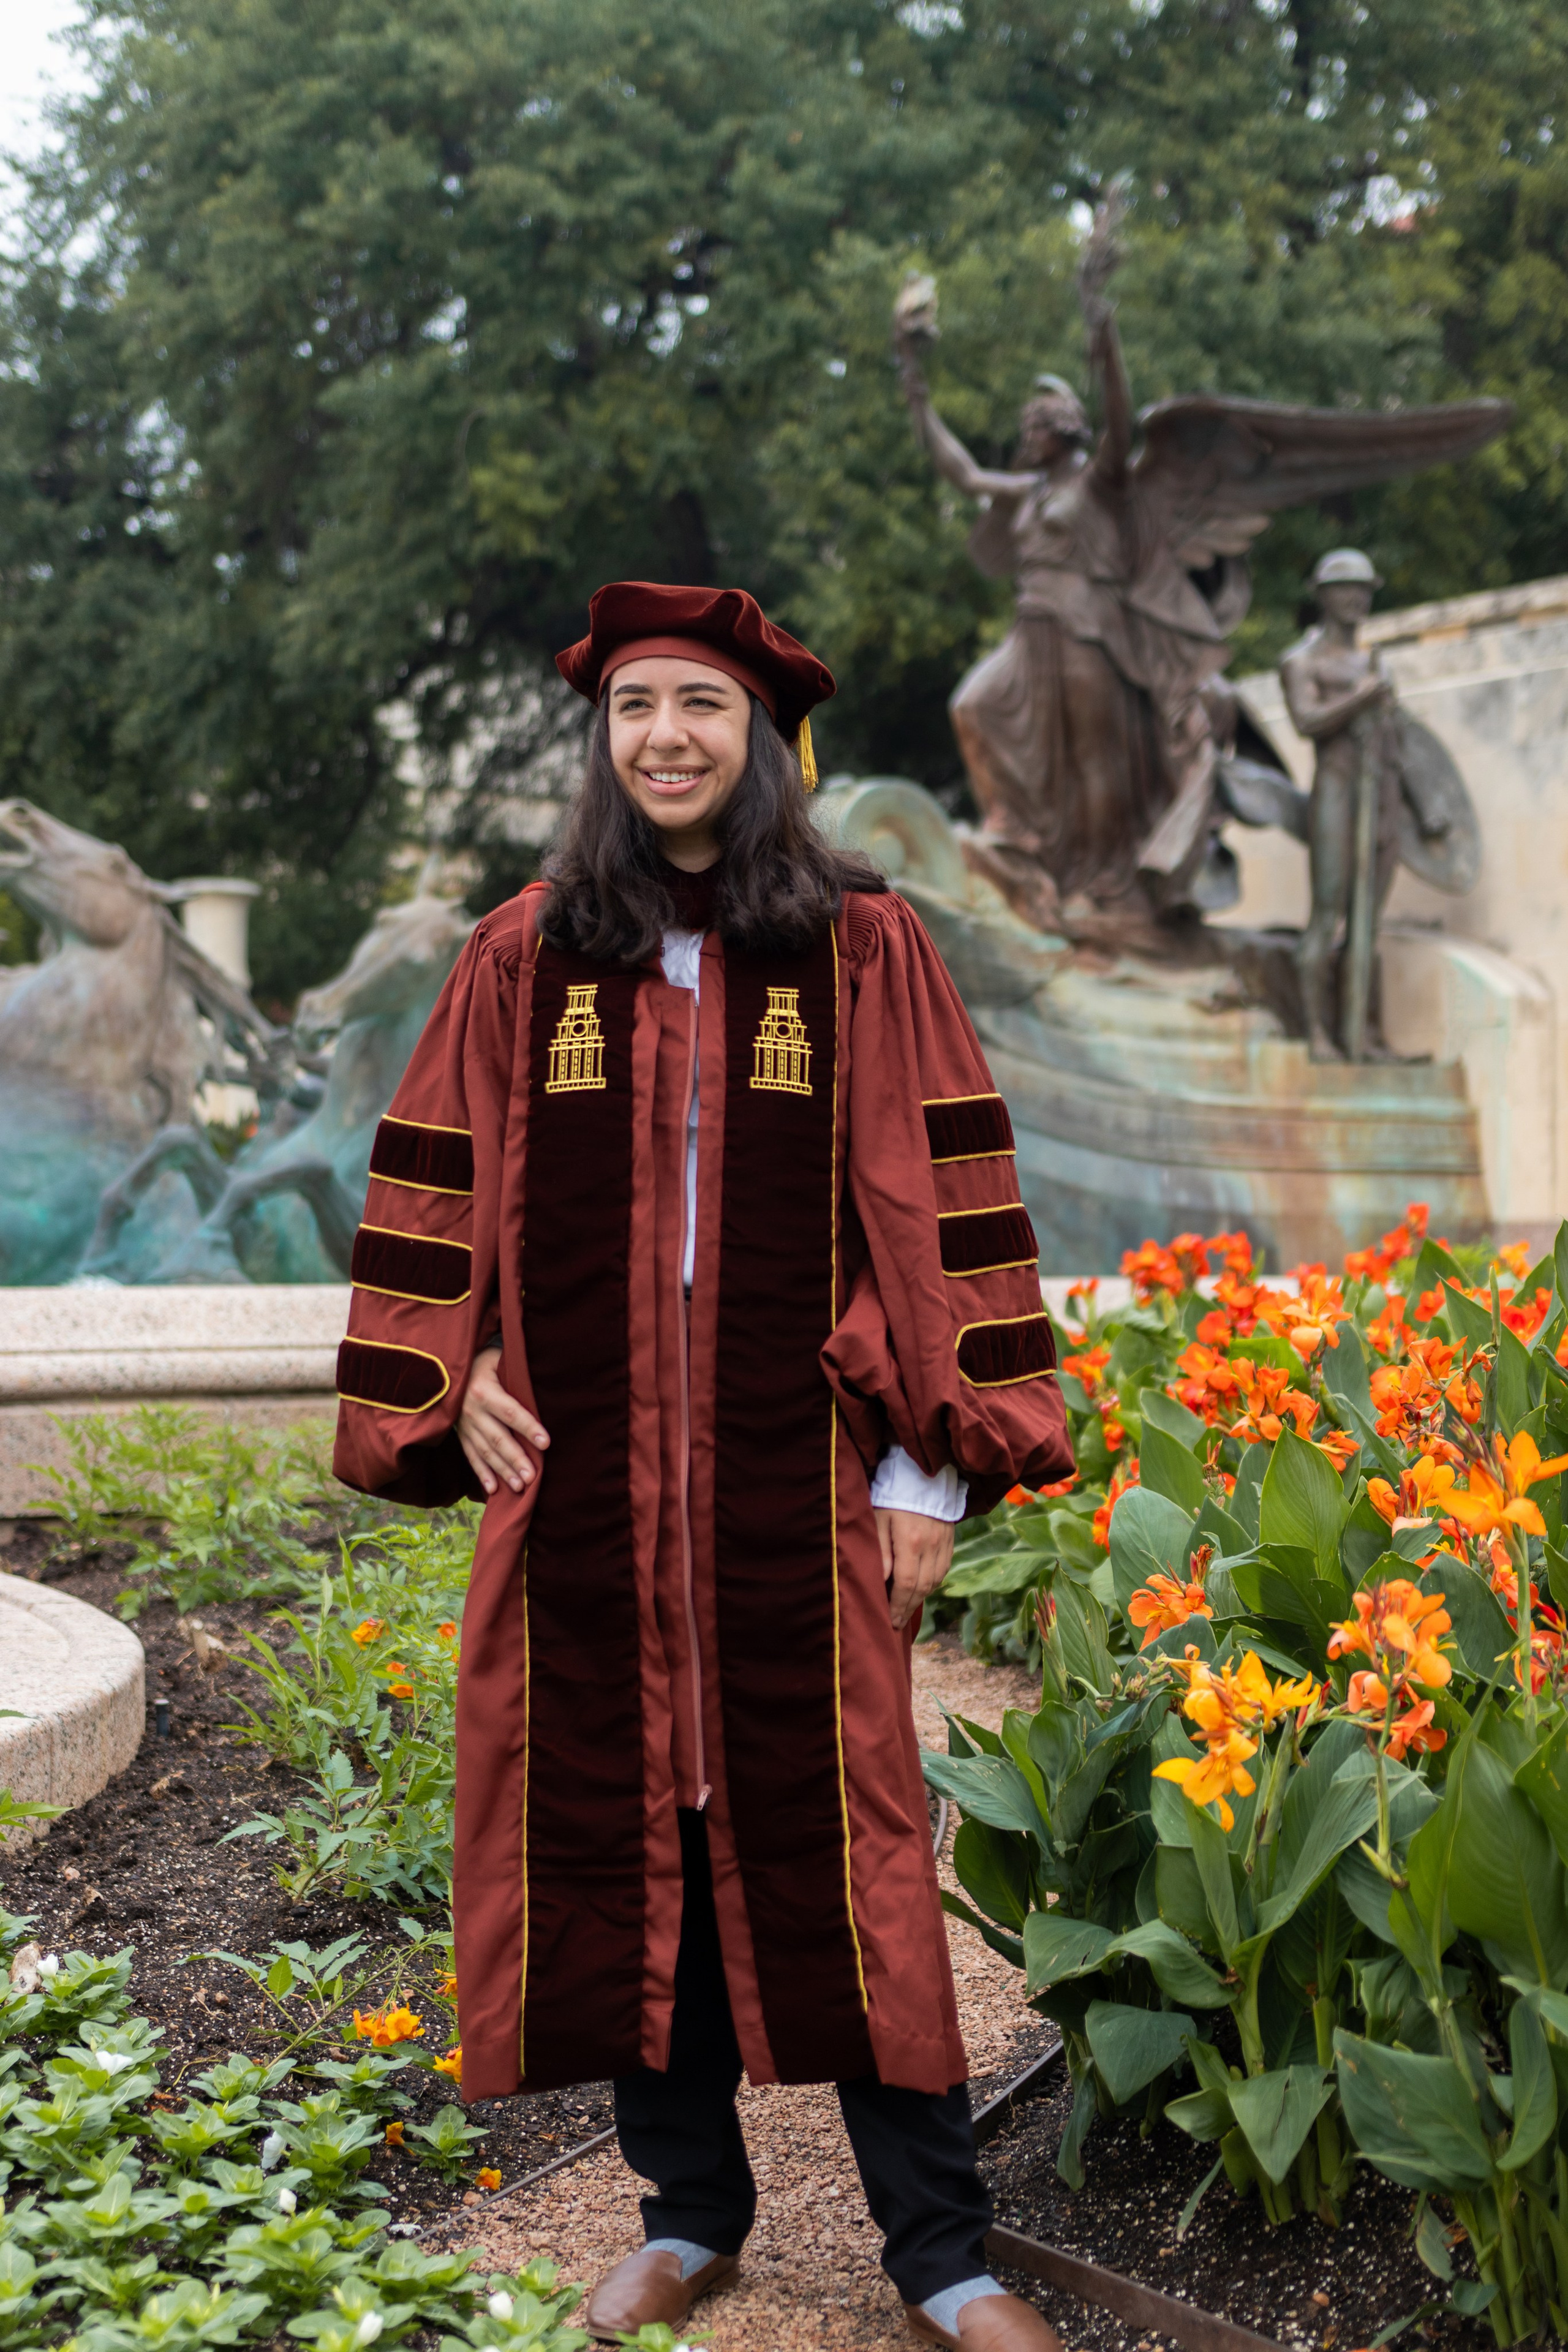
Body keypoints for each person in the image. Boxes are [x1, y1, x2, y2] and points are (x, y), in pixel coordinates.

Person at [333, 581, 1073, 2351]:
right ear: (603, 737)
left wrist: (923, 1480)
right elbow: (439, 1196)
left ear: (763, 740)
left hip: (794, 1492)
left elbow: (937, 1214)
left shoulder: (863, 946)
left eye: (704, 707)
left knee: (851, 1850)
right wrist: (463, 1376)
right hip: (586, 1499)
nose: (666, 735)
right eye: (638, 705)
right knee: (619, 1840)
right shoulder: (524, 954)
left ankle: (943, 2253)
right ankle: (688, 2215)